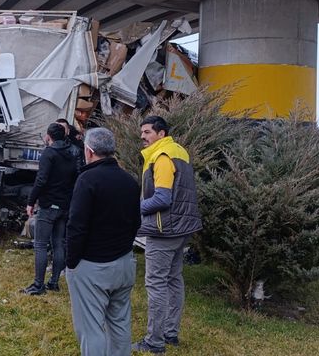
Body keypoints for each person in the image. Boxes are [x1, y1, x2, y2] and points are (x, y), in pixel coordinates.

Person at [65, 127, 141, 355]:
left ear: (88, 151)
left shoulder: (87, 179)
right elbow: (135, 222)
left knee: (91, 329)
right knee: (119, 324)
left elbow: (76, 226)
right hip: (124, 263)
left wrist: (71, 262)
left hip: (92, 266)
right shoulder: (129, 180)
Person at [133, 116, 202, 354]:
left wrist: (131, 208)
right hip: (182, 228)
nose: (142, 136)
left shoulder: (161, 157)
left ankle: (154, 341)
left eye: (147, 132)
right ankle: (170, 333)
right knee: (174, 279)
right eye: (142, 132)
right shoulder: (179, 151)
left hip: (164, 229)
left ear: (161, 134)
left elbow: (162, 198)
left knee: (156, 283)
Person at [23, 123, 79, 295]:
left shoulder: (49, 153)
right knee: (58, 244)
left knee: (40, 244)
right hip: (65, 205)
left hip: (49, 205)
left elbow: (41, 180)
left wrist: (31, 202)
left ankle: (38, 285)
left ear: (49, 136)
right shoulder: (73, 152)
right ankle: (54, 282)